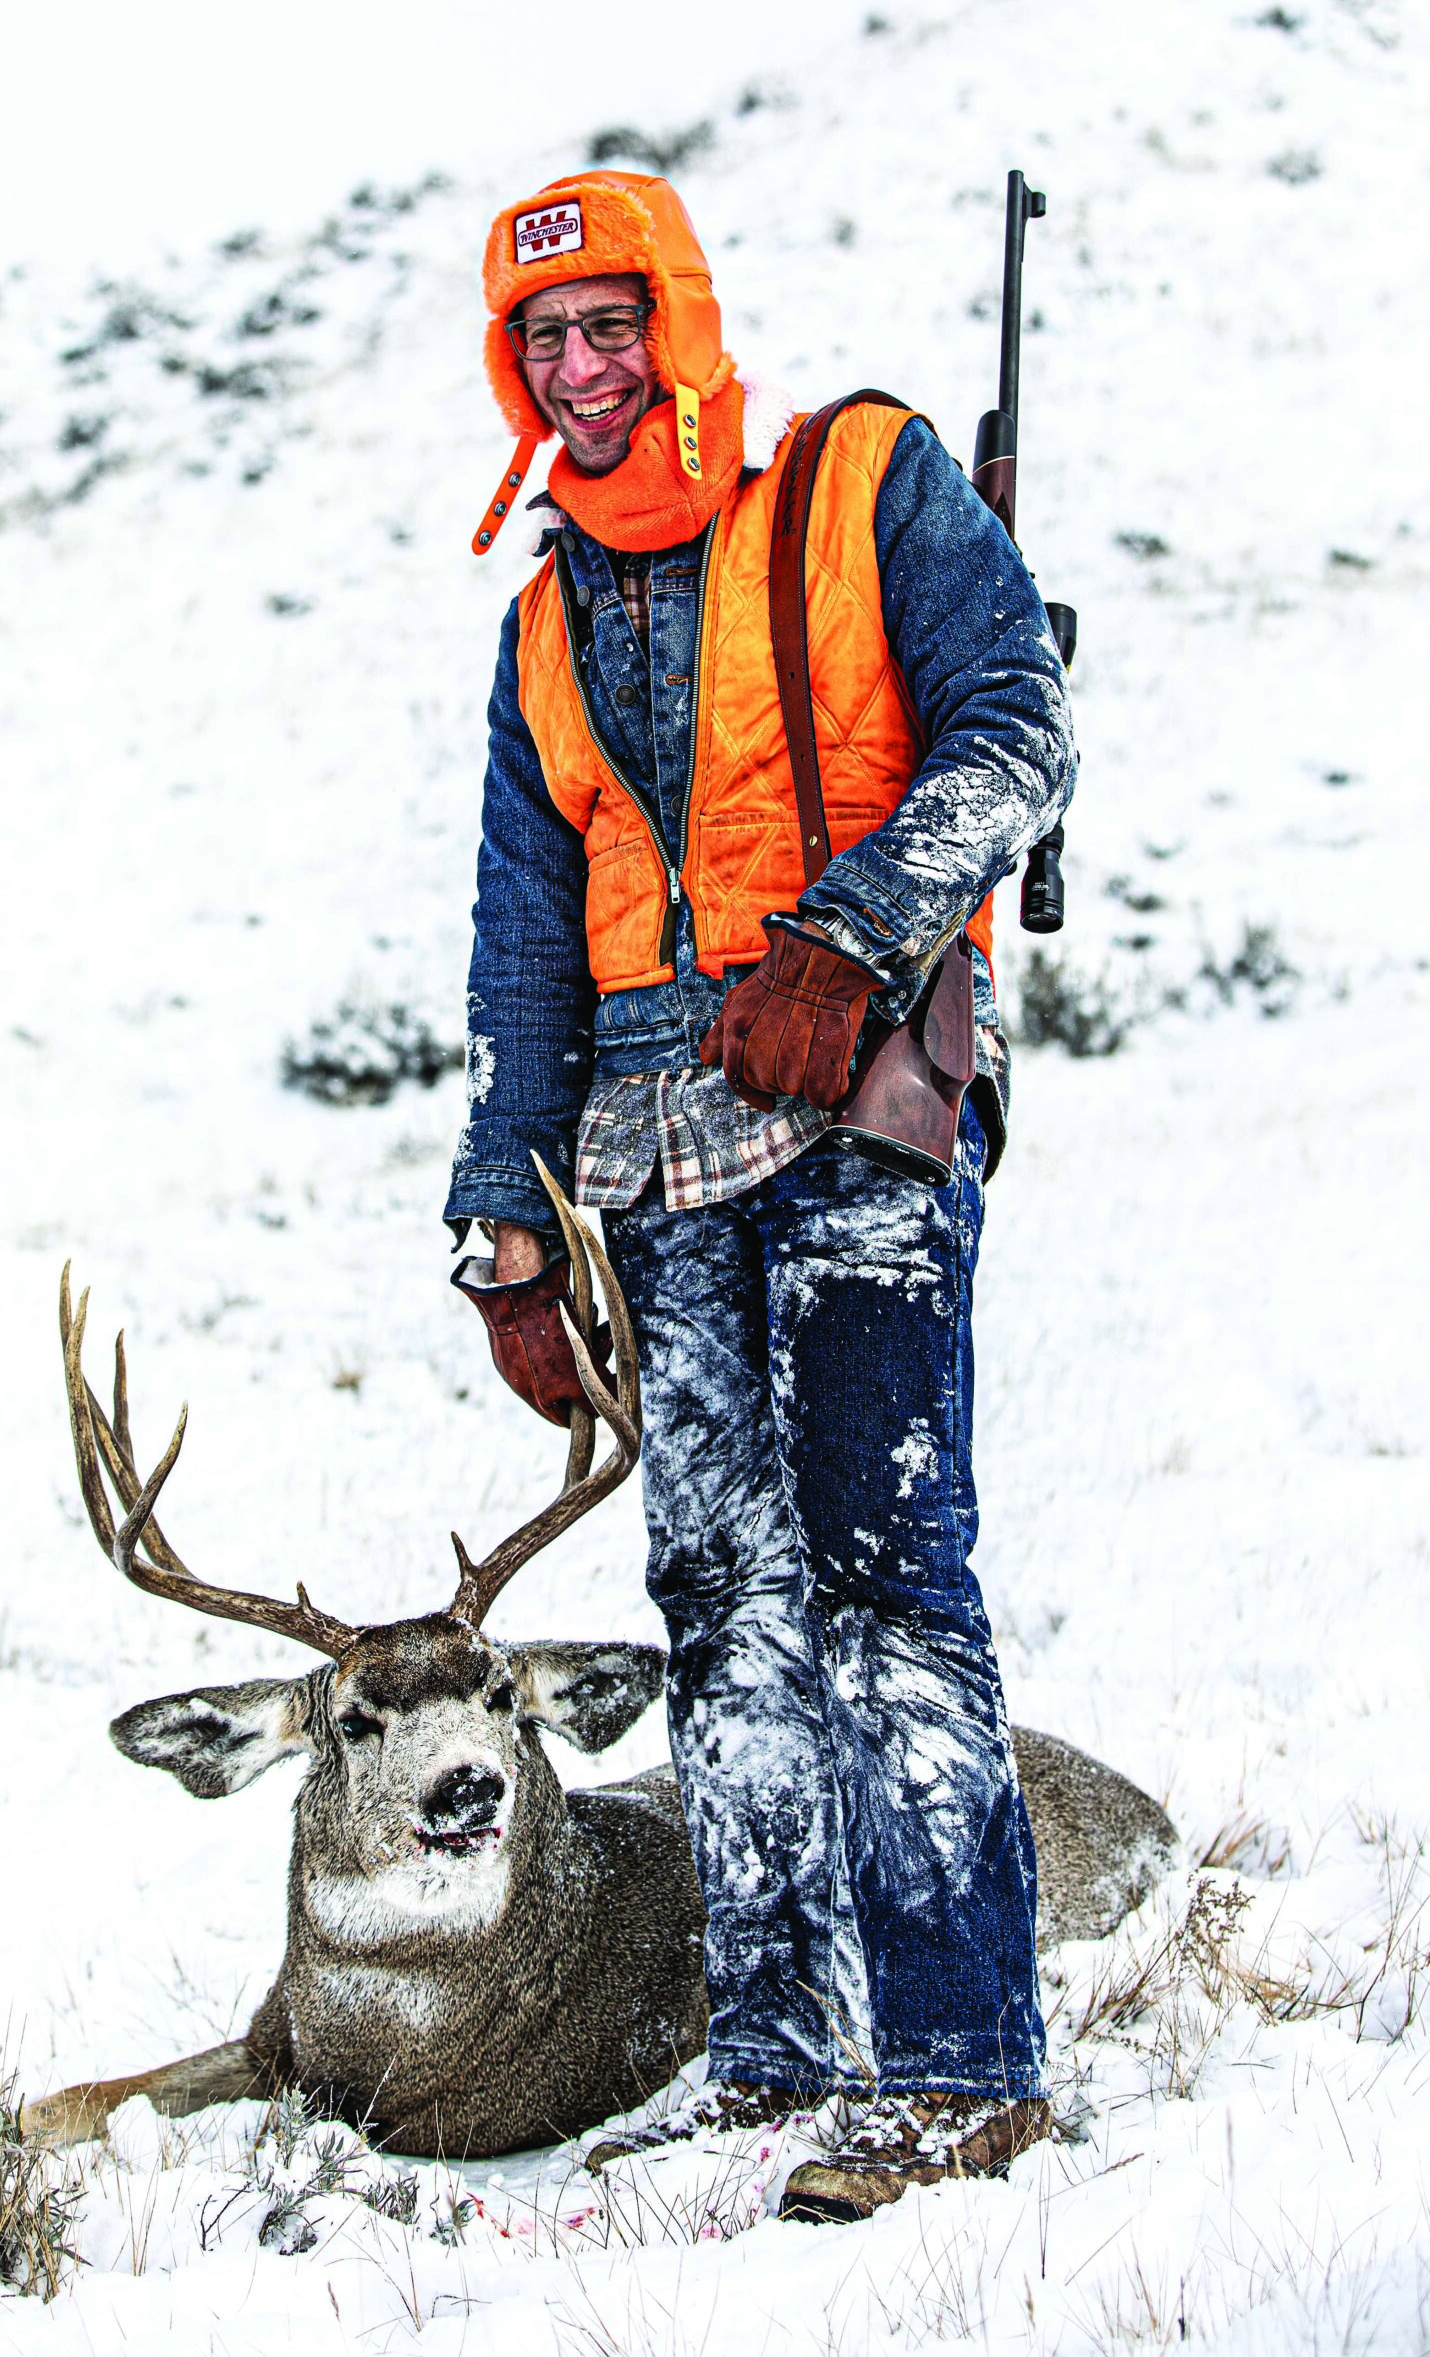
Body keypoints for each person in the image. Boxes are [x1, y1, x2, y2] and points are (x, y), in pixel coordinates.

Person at [445, 170, 1075, 2223]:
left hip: (864, 1093)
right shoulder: (543, 613)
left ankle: (969, 2064)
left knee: (888, 1568)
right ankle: (775, 2056)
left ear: (679, 320)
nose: (580, 370)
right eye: (540, 340)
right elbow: (526, 940)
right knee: (721, 1605)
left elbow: (1015, 730)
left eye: (608, 325)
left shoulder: (863, 481)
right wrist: (508, 1222)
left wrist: (854, 928)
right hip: (648, 1150)